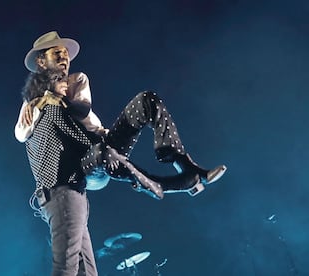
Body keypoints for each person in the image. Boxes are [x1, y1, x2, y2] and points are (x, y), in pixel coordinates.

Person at [14, 31, 227, 276]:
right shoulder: (34, 101)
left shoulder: (76, 79)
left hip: (99, 145)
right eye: (57, 54)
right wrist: (43, 100)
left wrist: (61, 97)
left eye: (65, 54)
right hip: (85, 162)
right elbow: (21, 133)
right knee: (66, 265)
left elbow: (82, 109)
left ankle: (185, 167)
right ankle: (156, 184)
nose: (64, 58)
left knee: (147, 100)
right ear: (42, 61)